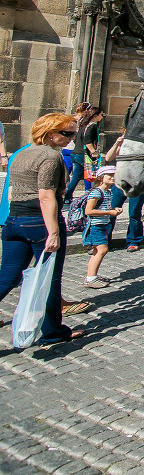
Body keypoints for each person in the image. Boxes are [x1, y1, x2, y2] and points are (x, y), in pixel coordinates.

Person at [0, 113, 86, 345]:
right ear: (49, 134)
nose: (72, 138)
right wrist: (54, 232)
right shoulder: (50, 156)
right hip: (41, 222)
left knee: (6, 277)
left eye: (74, 133)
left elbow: (11, 190)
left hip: (14, 220)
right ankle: (52, 332)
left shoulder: (20, 153)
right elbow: (47, 195)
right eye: (67, 133)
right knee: (49, 279)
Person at [82, 166, 120, 288]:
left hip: (102, 224)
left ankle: (92, 276)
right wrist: (109, 213)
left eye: (114, 175)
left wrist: (113, 209)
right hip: (95, 226)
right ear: (101, 177)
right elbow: (89, 211)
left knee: (97, 251)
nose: (113, 177)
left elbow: (102, 208)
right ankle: (90, 278)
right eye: (110, 175)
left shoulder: (107, 192)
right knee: (102, 250)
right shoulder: (96, 192)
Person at [63, 105, 101, 200]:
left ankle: (67, 197)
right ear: (95, 115)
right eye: (101, 114)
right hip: (83, 155)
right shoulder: (92, 125)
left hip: (75, 153)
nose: (102, 116)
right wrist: (93, 152)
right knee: (91, 174)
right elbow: (87, 141)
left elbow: (76, 139)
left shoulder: (83, 124)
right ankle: (91, 195)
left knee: (76, 176)